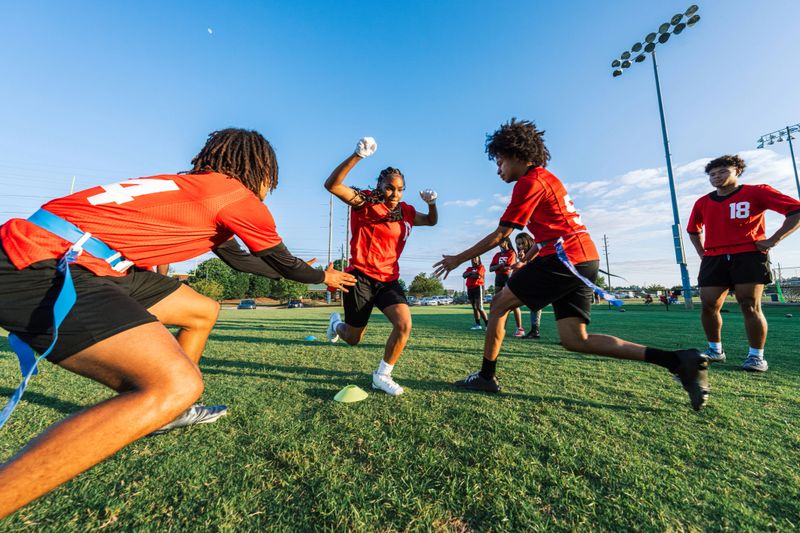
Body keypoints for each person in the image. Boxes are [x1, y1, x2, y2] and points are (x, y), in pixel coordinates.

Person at [0, 128, 356, 517]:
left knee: (201, 310)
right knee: (174, 383)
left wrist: (305, 274)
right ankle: (170, 400)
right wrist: (323, 277)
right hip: (45, 260)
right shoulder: (237, 196)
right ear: (261, 171)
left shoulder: (196, 190)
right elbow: (282, 260)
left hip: (88, 257)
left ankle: (172, 411)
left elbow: (242, 260)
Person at [433, 118, 709, 410]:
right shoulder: (545, 179)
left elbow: (503, 234)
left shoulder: (531, 181)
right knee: (576, 339)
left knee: (499, 304)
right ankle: (678, 360)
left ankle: (486, 377)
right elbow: (547, 231)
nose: (498, 169)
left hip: (566, 259)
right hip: (581, 258)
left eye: (500, 161)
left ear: (516, 155)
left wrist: (457, 259)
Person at [324, 137, 438, 396]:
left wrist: (432, 204)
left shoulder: (406, 211)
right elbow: (332, 185)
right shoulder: (364, 202)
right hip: (360, 277)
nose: (394, 194)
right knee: (353, 338)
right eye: (389, 188)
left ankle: (382, 374)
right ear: (379, 186)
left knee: (404, 325)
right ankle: (336, 325)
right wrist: (357, 156)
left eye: (399, 189)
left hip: (388, 280)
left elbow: (431, 222)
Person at [687, 154, 800, 372]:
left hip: (748, 254)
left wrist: (773, 239)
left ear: (737, 171)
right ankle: (715, 350)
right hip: (714, 257)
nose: (716, 177)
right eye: (712, 174)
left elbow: (795, 211)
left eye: (722, 172)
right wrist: (703, 254)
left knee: (748, 304)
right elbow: (693, 230)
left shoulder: (757, 192)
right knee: (709, 304)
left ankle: (756, 357)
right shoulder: (703, 202)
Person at [490, 237, 525, 337]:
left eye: (501, 241)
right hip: (498, 278)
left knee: (513, 304)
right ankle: (499, 327)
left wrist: (499, 266)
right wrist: (500, 266)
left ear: (506, 242)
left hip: (508, 277)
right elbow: (491, 268)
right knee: (497, 302)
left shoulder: (511, 253)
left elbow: (509, 267)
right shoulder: (497, 255)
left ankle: (520, 328)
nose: (499, 244)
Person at [512, 232, 542, 339]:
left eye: (522, 243)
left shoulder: (535, 248)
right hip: (532, 280)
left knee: (536, 304)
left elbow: (534, 263)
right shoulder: (523, 252)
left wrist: (524, 259)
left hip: (543, 278)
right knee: (533, 304)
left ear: (528, 242)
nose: (520, 246)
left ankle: (535, 330)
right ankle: (534, 330)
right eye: (518, 244)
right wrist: (522, 259)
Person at [463, 257, 488, 330]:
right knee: (474, 307)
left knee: (480, 307)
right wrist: (471, 273)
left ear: (479, 259)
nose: (473, 260)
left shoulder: (481, 267)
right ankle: (478, 325)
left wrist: (469, 275)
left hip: (478, 288)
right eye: (472, 258)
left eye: (475, 258)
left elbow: (477, 276)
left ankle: (488, 325)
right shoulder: (469, 268)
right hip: (470, 288)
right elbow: (464, 275)